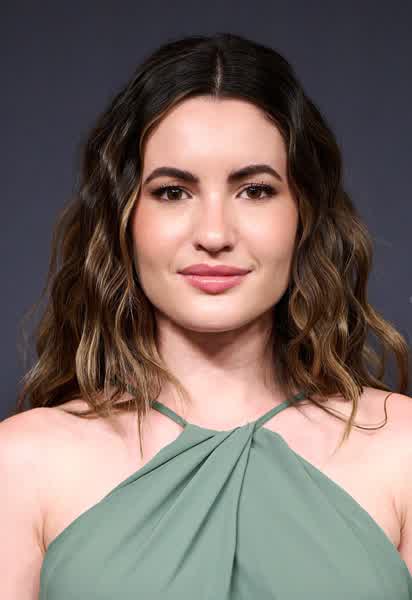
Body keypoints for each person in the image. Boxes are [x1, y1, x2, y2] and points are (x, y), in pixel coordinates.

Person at [1, 32, 411, 599]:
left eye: (255, 191)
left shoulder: (401, 446)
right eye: (173, 192)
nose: (214, 235)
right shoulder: (22, 462)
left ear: (305, 214)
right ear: (124, 218)